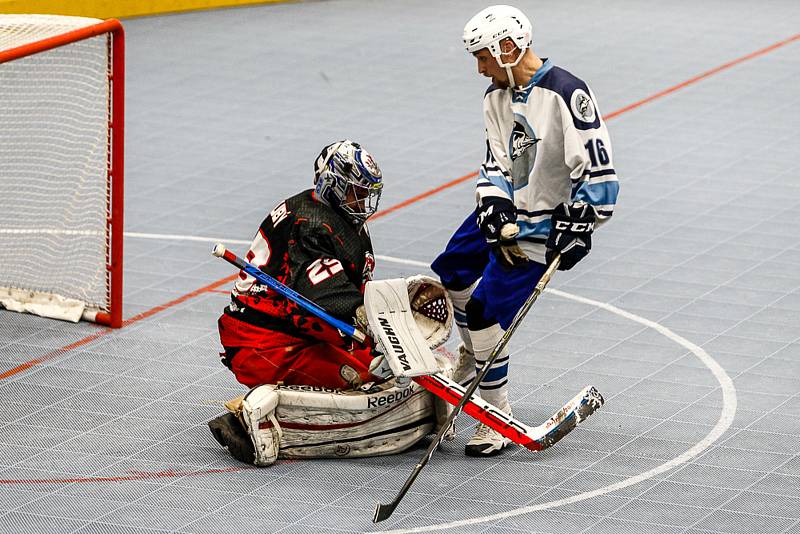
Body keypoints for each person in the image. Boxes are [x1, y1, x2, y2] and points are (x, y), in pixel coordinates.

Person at [431, 5, 620, 457]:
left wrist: (583, 220)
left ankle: (493, 418)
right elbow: (496, 161)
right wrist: (492, 202)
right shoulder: (495, 97)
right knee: (453, 270)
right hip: (511, 209)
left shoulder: (566, 92)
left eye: (483, 57)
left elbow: (598, 170)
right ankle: (476, 357)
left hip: (544, 225)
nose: (479, 68)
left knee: (483, 314)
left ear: (509, 48)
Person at [217, 139, 383, 392]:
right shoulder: (312, 224)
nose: (362, 202)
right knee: (366, 376)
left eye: (365, 194)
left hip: (298, 333)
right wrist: (365, 317)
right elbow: (326, 296)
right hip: (262, 341)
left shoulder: (341, 218)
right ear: (332, 184)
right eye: (356, 193)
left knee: (383, 365)